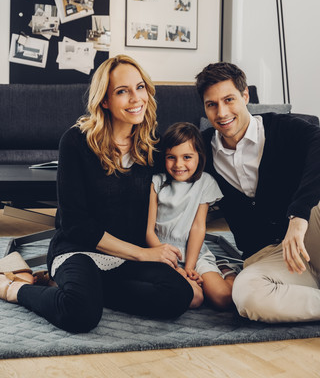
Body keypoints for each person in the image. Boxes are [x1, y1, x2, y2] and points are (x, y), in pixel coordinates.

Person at [0, 55, 194, 332]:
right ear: (105, 100)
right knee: (80, 315)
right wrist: (142, 254)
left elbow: (191, 165)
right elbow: (76, 225)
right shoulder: (76, 141)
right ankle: (13, 287)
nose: (135, 98)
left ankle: (82, 291)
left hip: (124, 255)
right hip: (79, 249)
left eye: (140, 87)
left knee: (179, 296)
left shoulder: (152, 146)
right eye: (122, 91)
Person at [195, 62, 320, 323]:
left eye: (229, 99)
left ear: (245, 96)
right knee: (246, 295)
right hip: (268, 255)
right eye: (212, 105)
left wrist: (299, 215)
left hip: (311, 231)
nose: (222, 112)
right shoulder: (201, 149)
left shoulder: (283, 129)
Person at [146, 122, 240, 310]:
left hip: (194, 252)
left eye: (187, 157)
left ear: (199, 157)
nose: (179, 164)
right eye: (171, 157)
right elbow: (148, 231)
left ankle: (227, 270)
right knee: (192, 298)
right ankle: (202, 279)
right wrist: (174, 265)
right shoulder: (157, 182)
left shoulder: (205, 182)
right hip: (161, 253)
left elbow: (198, 227)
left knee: (224, 299)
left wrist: (189, 266)